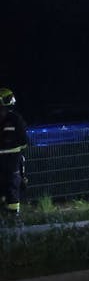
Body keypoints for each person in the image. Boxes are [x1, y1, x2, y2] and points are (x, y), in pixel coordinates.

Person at [0, 88, 27, 218]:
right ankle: (14, 216)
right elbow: (24, 141)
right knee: (13, 184)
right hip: (13, 159)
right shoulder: (17, 118)